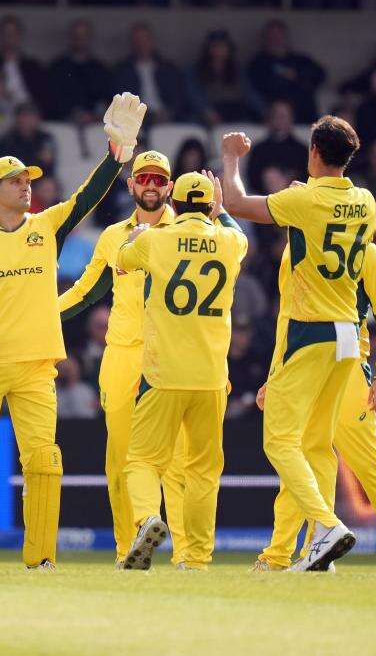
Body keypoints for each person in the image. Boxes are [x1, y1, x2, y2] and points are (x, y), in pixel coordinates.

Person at [0, 93, 146, 571]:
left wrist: (116, 156)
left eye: (27, 181)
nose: (25, 187)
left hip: (38, 365)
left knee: (44, 461)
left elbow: (87, 197)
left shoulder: (48, 227)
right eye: (16, 181)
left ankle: (41, 560)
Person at [220, 115, 374, 571]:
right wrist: (298, 196)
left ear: (313, 151)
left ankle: (325, 526)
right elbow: (320, 216)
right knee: (316, 445)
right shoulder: (366, 202)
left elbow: (236, 202)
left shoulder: (303, 199)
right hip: (349, 334)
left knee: (280, 442)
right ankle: (316, 549)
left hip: (309, 331)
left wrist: (230, 158)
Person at [254, 242, 376, 573]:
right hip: (305, 364)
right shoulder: (298, 248)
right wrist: (275, 374)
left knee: (366, 465)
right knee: (301, 457)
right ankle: (287, 555)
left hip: (349, 368)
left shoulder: (366, 251)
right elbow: (288, 317)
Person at [57, 151, 188, 567]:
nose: (151, 185)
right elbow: (87, 289)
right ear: (131, 185)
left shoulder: (188, 233)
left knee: (178, 462)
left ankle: (188, 556)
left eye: (159, 179)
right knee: (120, 459)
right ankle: (128, 549)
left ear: (170, 187)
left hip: (174, 356)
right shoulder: (113, 236)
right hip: (124, 355)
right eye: (143, 177)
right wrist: (40, 319)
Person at [116, 170, 247, 571]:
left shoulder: (156, 240)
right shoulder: (230, 241)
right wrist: (222, 211)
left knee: (141, 460)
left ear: (177, 201)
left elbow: (122, 259)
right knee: (204, 472)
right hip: (210, 378)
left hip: (163, 374)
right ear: (209, 204)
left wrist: (136, 237)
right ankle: (196, 559)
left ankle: (147, 518)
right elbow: (234, 231)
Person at [0, 15, 51, 117]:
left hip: (27, 117)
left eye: (13, 33)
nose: (9, 37)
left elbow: (44, 98)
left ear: (19, 36)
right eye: (5, 34)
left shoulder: (33, 66)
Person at [246, 19, 325, 121]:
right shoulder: (257, 63)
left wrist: (297, 75)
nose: (275, 40)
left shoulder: (300, 60)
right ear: (265, 39)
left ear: (285, 37)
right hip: (270, 115)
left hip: (302, 115)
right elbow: (255, 90)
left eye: (279, 36)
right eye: (272, 36)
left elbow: (320, 75)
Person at [113, 22, 190, 123]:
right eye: (137, 40)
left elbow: (179, 97)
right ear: (132, 43)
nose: (141, 44)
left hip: (167, 116)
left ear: (152, 41)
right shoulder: (122, 71)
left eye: (145, 39)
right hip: (137, 119)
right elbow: (121, 100)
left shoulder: (168, 69)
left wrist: (169, 112)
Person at [48, 19, 113, 123]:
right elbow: (53, 100)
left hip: (96, 123)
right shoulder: (57, 68)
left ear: (89, 38)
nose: (80, 39)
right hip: (66, 123)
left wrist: (94, 116)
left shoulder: (100, 68)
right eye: (76, 35)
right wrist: (74, 114)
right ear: (70, 38)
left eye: (84, 35)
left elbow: (107, 99)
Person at [246, 100, 307, 186]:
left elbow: (308, 176)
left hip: (295, 194)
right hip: (266, 196)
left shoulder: (302, 149)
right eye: (276, 115)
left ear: (292, 118)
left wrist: (291, 177)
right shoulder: (259, 149)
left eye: (284, 115)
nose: (280, 119)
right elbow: (252, 178)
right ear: (270, 118)